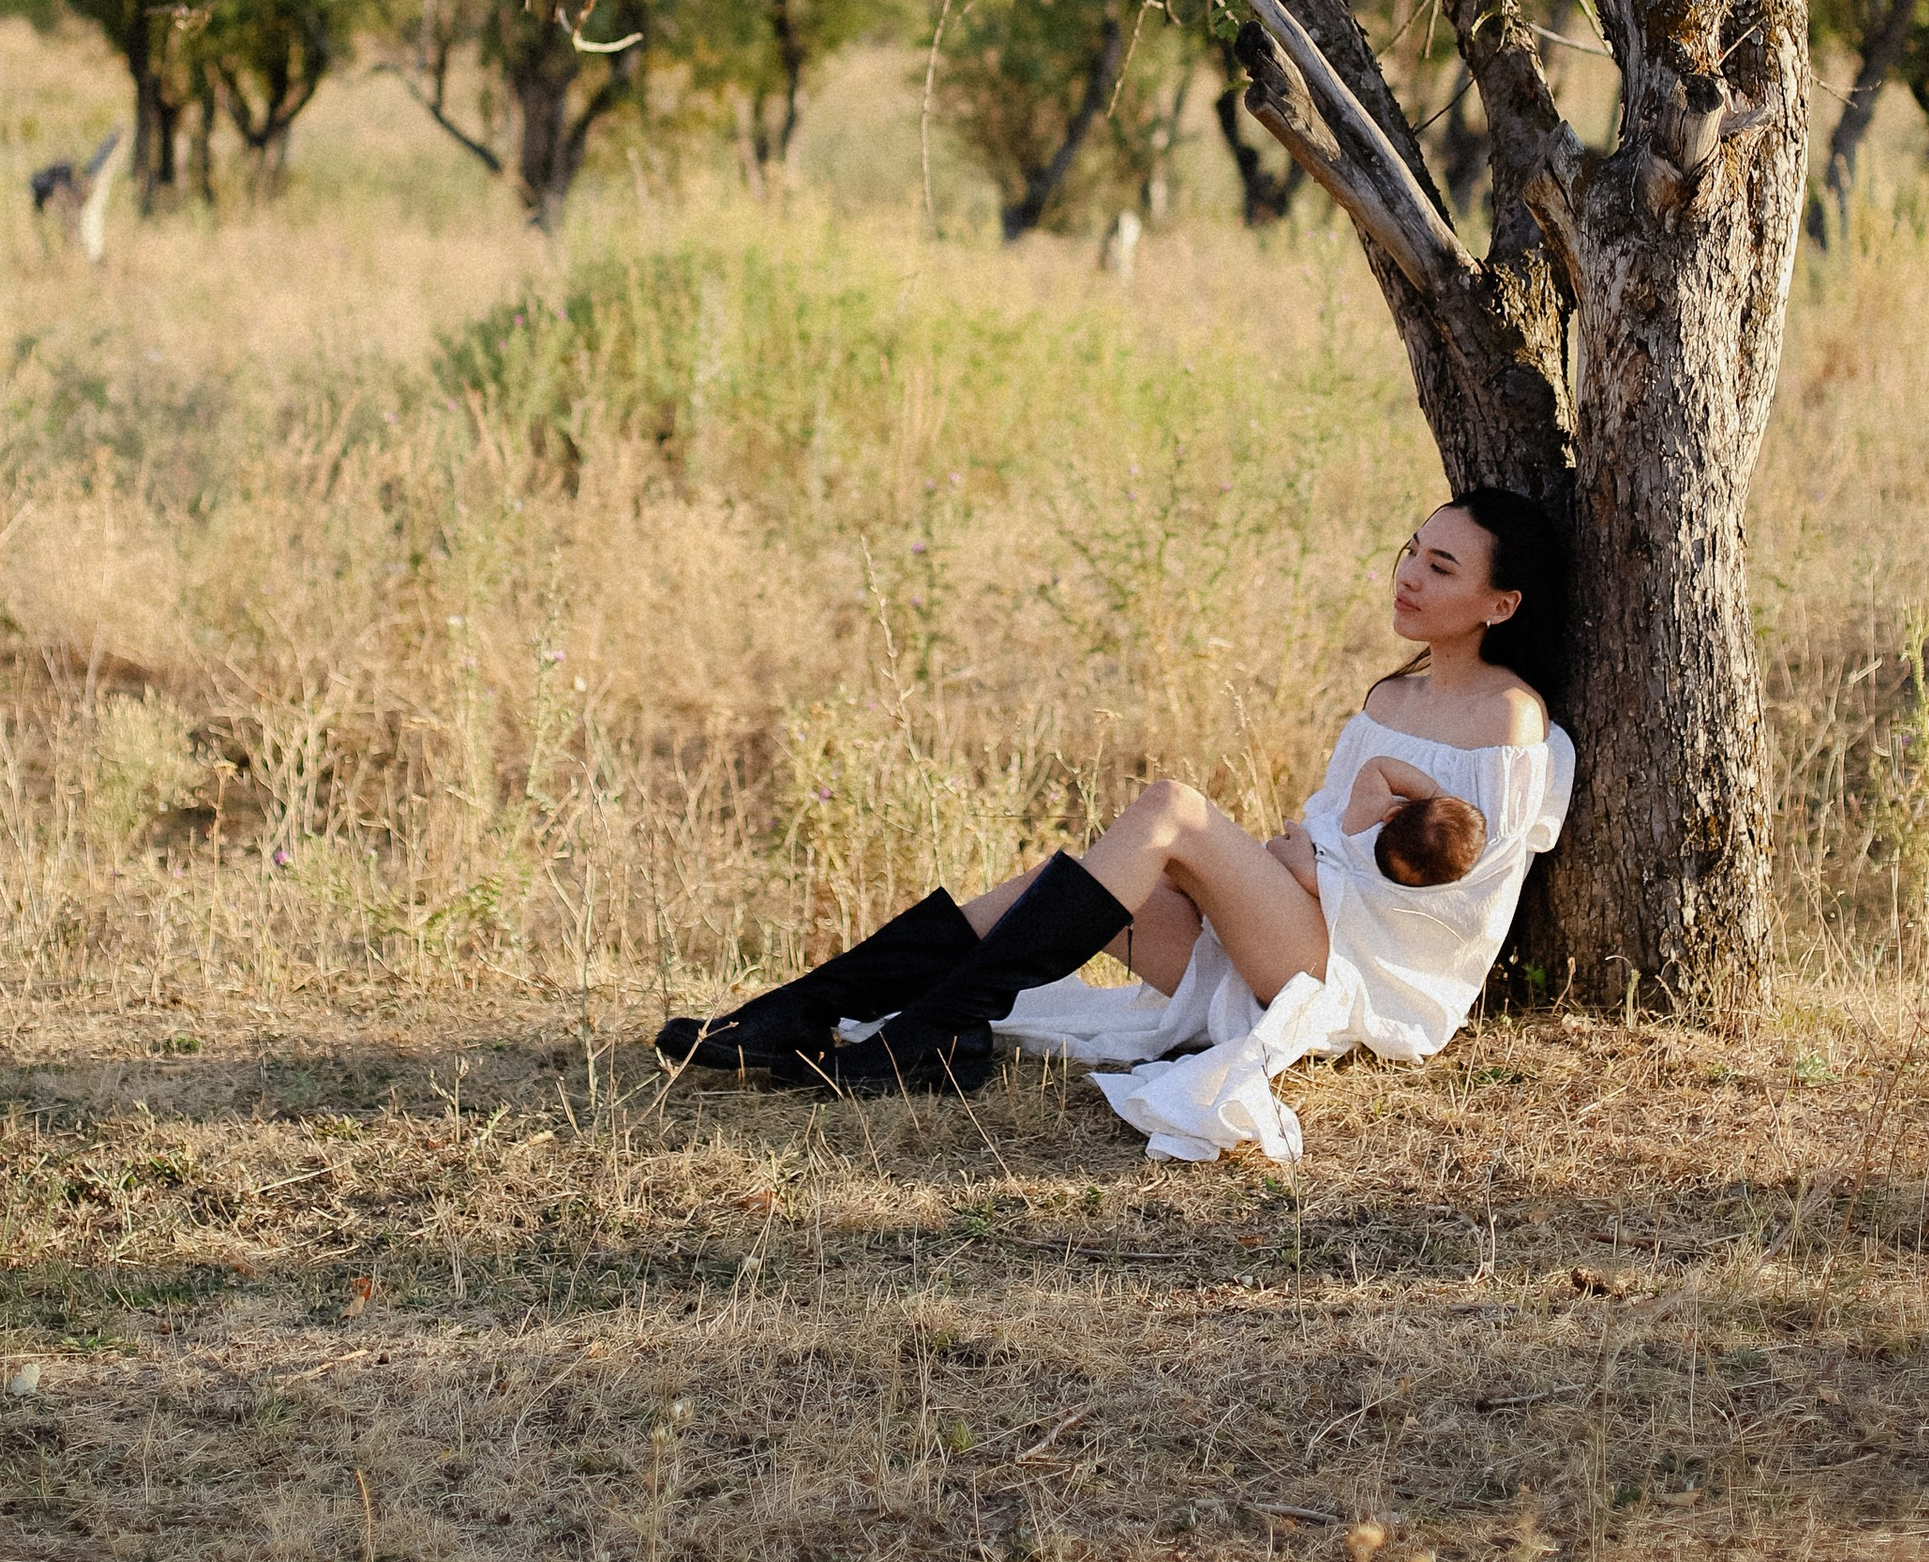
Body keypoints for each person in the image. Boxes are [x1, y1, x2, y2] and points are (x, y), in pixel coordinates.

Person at [657, 488, 1575, 1165]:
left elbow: (1456, 918)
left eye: (1441, 567)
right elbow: (1330, 824)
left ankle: (934, 1025)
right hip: (1285, 931)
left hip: (1355, 974)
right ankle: (809, 1009)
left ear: (1502, 606)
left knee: (1172, 808)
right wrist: (1285, 860)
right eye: (1413, 549)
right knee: (1076, 877)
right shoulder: (1389, 697)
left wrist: (1306, 868)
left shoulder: (1510, 724)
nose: (1410, 574)